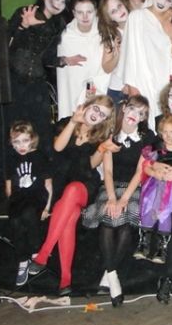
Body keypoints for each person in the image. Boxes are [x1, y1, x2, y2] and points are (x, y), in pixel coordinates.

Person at [28, 95, 115, 295]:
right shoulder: (66, 122)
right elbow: (58, 147)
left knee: (73, 191)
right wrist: (74, 122)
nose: (97, 115)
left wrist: (102, 149)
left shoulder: (101, 135)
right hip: (62, 183)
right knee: (70, 215)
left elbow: (91, 165)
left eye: (103, 115)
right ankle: (65, 281)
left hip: (84, 185)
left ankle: (44, 254)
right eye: (96, 109)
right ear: (87, 106)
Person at [81, 95, 155, 306]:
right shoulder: (111, 135)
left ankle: (109, 274)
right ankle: (113, 276)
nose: (134, 115)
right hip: (110, 186)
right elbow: (108, 172)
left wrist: (123, 200)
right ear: (124, 109)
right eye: (132, 109)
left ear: (143, 118)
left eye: (140, 113)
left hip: (134, 188)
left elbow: (140, 173)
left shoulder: (147, 137)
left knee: (124, 219)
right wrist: (113, 198)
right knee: (108, 216)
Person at [119, 114, 172, 304]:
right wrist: (156, 171)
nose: (168, 136)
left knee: (170, 211)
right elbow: (144, 167)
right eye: (164, 132)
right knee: (154, 201)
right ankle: (145, 240)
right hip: (157, 186)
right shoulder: (156, 148)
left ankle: (164, 250)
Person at [6, 0, 68, 156]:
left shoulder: (58, 24)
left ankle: (43, 168)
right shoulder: (25, 12)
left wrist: (63, 60)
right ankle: (13, 169)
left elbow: (46, 57)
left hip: (37, 83)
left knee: (42, 128)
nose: (58, 3)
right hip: (15, 80)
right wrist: (23, 26)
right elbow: (6, 46)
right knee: (13, 127)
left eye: (62, 1)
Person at [117, 0, 172, 128]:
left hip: (164, 81)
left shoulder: (171, 21)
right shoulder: (137, 17)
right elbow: (129, 53)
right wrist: (131, 84)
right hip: (142, 79)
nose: (163, 2)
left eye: (169, 0)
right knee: (143, 125)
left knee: (164, 126)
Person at [6, 121, 52, 288]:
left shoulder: (39, 156)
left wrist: (47, 207)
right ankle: (22, 260)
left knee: (28, 213)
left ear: (32, 139)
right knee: (15, 221)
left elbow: (48, 184)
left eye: (25, 141)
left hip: (36, 197)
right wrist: (11, 203)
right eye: (16, 142)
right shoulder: (11, 159)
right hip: (19, 198)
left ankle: (35, 251)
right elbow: (9, 185)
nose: (21, 146)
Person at [56, 0, 118, 119]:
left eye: (89, 12)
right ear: (74, 13)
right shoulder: (65, 37)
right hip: (72, 89)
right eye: (80, 12)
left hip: (98, 88)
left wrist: (91, 90)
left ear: (95, 11)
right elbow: (64, 75)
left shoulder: (104, 32)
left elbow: (105, 68)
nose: (85, 17)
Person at [99, 0, 130, 107]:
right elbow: (106, 68)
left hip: (139, 87)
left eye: (119, 6)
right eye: (113, 11)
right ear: (110, 18)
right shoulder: (112, 36)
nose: (119, 11)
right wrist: (117, 55)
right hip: (117, 91)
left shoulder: (140, 25)